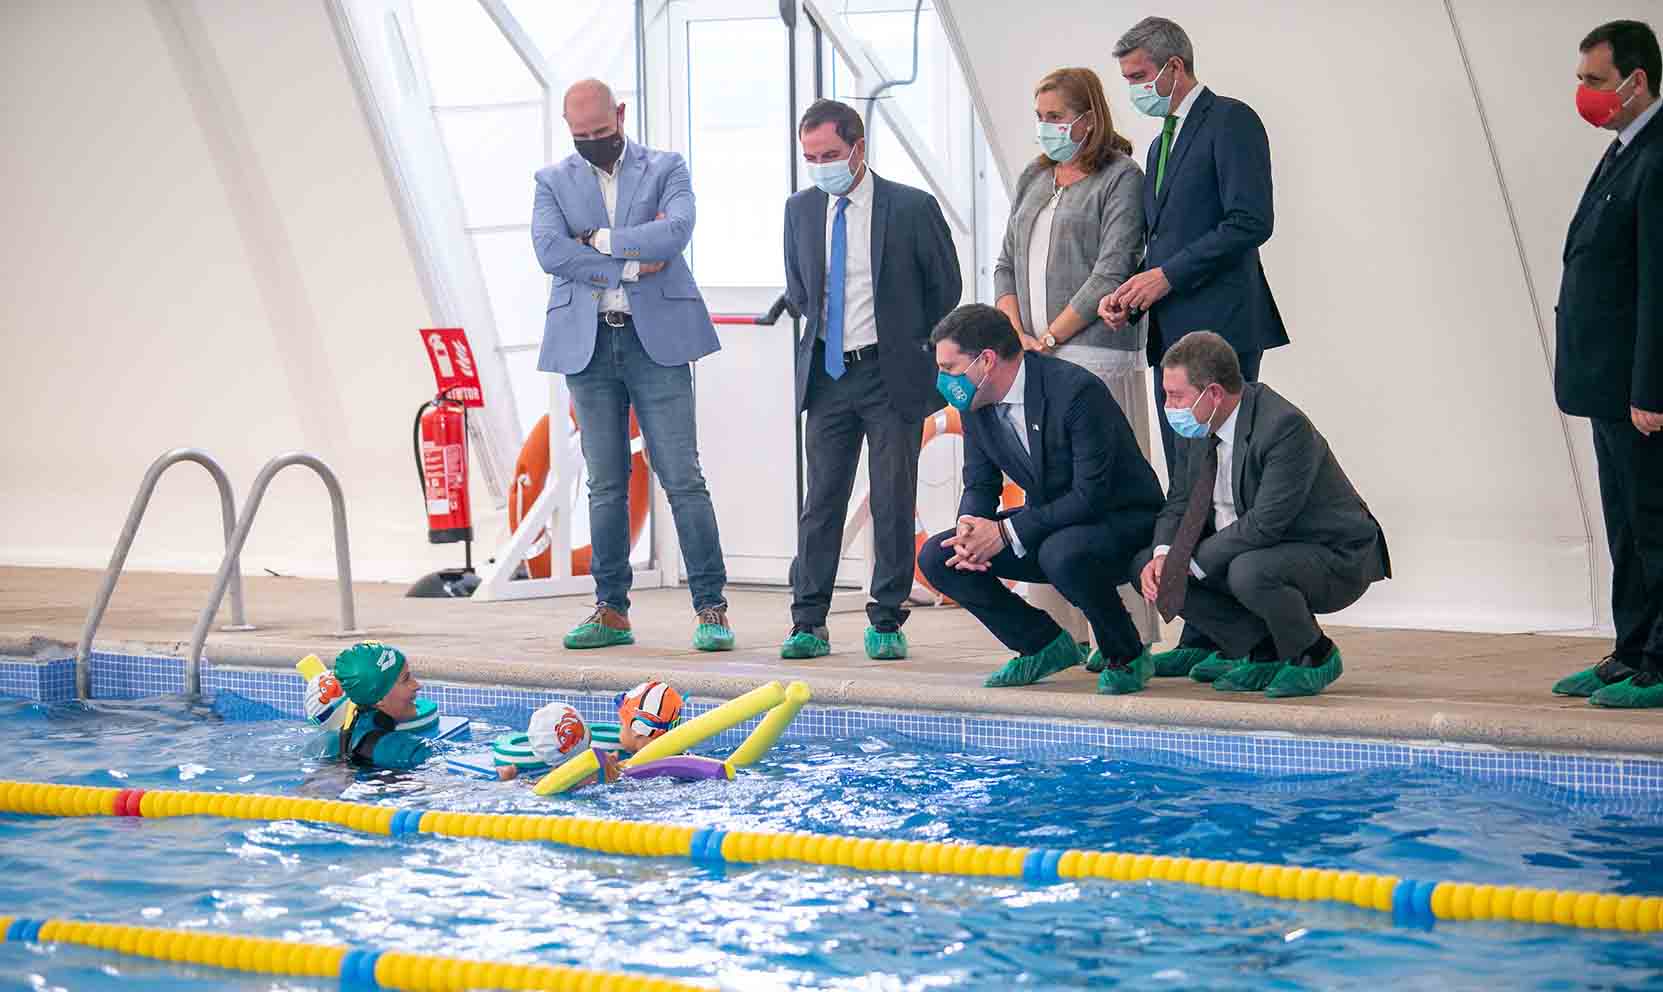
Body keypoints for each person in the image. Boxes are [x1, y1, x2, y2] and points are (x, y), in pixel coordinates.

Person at [532, 79, 734, 654]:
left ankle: (711, 607)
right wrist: (624, 265)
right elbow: (550, 251)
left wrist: (597, 240)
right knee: (605, 485)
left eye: (601, 132)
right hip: (587, 345)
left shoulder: (667, 167)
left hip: (658, 344)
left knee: (682, 478)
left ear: (620, 115)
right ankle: (611, 610)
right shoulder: (552, 181)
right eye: (581, 136)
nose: (593, 142)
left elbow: (676, 233)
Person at [780, 99, 962, 661]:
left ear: (858, 148)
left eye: (830, 154)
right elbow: (801, 290)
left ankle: (886, 617)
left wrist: (914, 351)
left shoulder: (910, 207)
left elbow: (946, 290)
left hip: (891, 376)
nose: (820, 165)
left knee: (891, 496)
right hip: (829, 376)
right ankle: (807, 620)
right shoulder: (801, 209)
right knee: (822, 502)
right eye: (810, 156)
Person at [993, 66, 1160, 656]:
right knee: (1049, 493)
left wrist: (1054, 336)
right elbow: (1005, 264)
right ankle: (1061, 627)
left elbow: (1113, 267)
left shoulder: (1120, 177)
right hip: (1035, 356)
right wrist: (1017, 332)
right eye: (1040, 118)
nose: (1047, 129)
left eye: (1057, 117)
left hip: (1093, 356)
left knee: (1103, 494)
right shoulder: (1033, 178)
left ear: (1089, 117)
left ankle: (1125, 631)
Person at [916, 304, 1162, 693]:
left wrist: (1005, 531)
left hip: (1121, 520)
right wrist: (970, 529)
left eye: (949, 367)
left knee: (1060, 552)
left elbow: (1090, 495)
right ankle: (1042, 644)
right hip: (1051, 523)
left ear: (986, 361)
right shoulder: (977, 405)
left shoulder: (1075, 391)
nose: (942, 379)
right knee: (939, 555)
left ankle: (1126, 653)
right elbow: (980, 483)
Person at [1134, 332, 1389, 698]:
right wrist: (1163, 555)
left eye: (1176, 396)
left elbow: (1266, 524)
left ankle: (1313, 654)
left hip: (1330, 554)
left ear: (1215, 394)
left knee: (1248, 571)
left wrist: (1187, 563)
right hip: (1246, 548)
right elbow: (1179, 500)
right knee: (1145, 564)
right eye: (1165, 395)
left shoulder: (1283, 427)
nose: (1168, 406)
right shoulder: (1195, 423)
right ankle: (1260, 650)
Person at [1100, 16, 1288, 471]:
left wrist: (1166, 276)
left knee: (1225, 472)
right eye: (1127, 80)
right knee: (1185, 476)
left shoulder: (1230, 119)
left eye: (1140, 77)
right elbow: (1168, 240)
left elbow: (1250, 221)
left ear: (1175, 68)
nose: (1133, 90)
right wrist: (1131, 293)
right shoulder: (1157, 145)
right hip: (1170, 333)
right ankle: (1182, 546)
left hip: (1221, 327)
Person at [1550, 21, 1663, 709]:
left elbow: (1658, 284)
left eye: (1593, 81)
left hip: (1636, 388)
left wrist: (1651, 388)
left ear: (1636, 81)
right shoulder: (1625, 149)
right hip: (1603, 383)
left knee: (1653, 521)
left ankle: (1658, 662)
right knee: (1623, 524)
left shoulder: (1658, 156)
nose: (1582, 93)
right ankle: (1630, 649)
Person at [329, 642, 434, 771]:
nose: (417, 685)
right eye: (406, 679)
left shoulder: (333, 739)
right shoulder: (407, 749)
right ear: (379, 698)